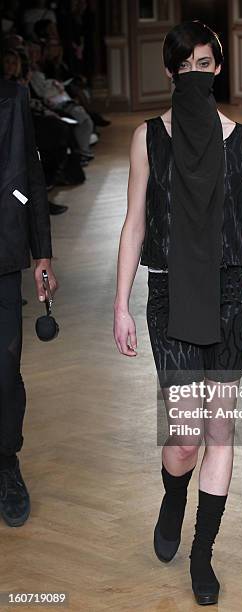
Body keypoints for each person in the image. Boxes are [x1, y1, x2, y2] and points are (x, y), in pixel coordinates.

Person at [113, 20, 242, 606]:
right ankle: (172, 497)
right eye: (185, 66)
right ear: (170, 72)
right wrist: (120, 302)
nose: (195, 74)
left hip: (231, 291)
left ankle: (202, 556)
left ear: (218, 68)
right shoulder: (148, 137)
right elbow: (133, 223)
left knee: (219, 429)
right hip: (172, 292)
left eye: (204, 64)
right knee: (183, 438)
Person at [0, 77, 58, 526]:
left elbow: (32, 176)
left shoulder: (14, 96)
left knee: (4, 368)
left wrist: (42, 253)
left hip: (3, 254)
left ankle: (6, 462)